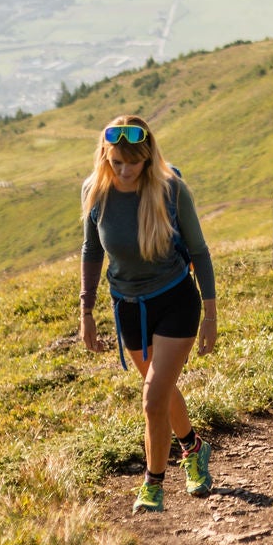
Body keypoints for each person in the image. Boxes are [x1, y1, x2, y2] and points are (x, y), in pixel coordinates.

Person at [80, 115, 218, 508]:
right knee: (162, 390)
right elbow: (92, 251)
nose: (123, 171)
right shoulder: (94, 191)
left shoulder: (171, 190)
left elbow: (199, 253)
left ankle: (153, 484)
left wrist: (210, 314)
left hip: (175, 301)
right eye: (115, 162)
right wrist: (86, 310)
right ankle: (194, 449)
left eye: (132, 163)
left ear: (147, 156)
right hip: (128, 309)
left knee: (152, 397)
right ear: (105, 155)